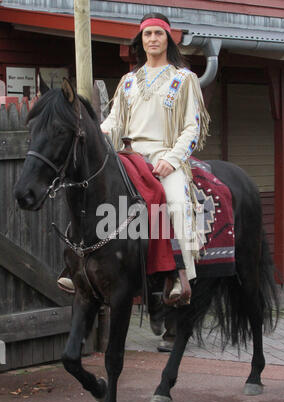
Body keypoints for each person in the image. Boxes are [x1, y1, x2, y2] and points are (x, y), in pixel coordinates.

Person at [58, 12, 210, 305]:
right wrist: (94, 135)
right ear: (141, 40)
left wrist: (174, 159)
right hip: (129, 155)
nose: (153, 39)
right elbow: (115, 122)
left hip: (166, 157)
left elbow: (193, 126)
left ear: (168, 39)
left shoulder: (184, 79)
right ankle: (74, 263)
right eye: (147, 34)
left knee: (176, 202)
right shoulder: (128, 82)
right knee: (92, 193)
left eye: (158, 33)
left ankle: (179, 274)